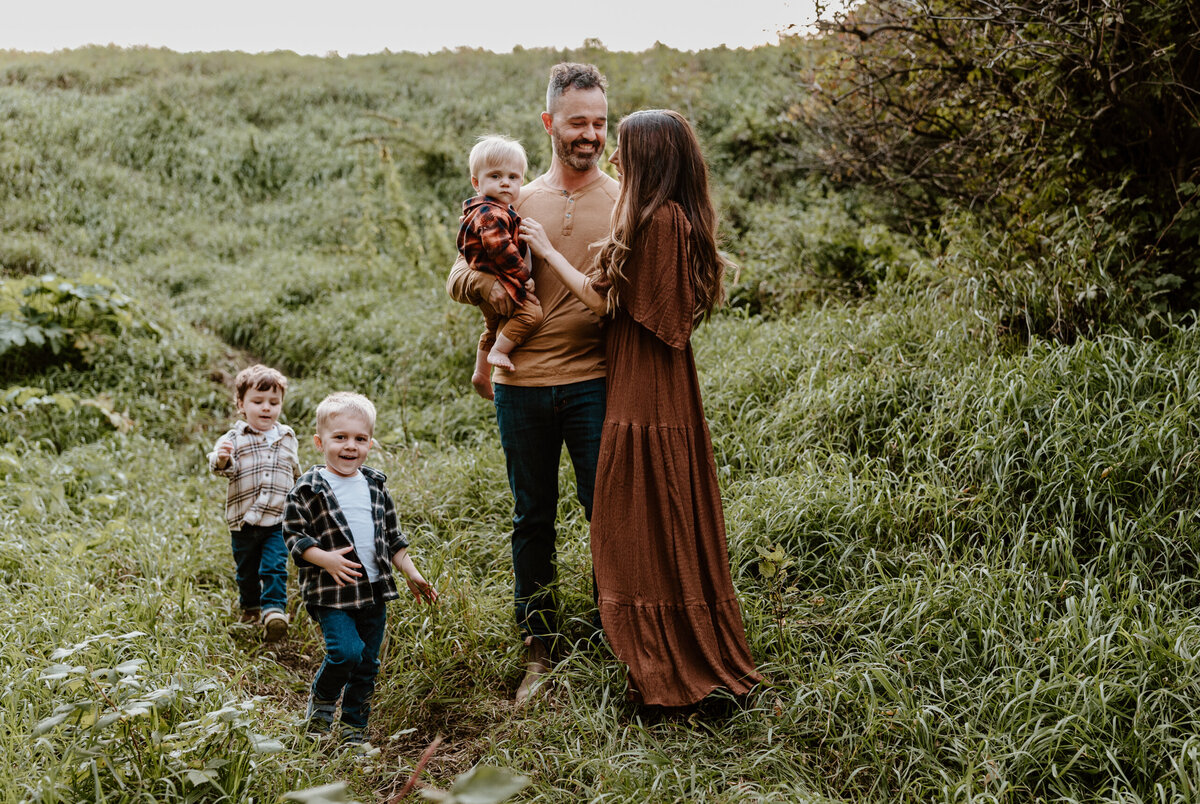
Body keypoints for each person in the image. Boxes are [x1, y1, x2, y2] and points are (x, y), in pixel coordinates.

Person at [520, 109, 762, 707]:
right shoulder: (655, 215)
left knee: (644, 508)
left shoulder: (661, 222)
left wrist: (550, 251)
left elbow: (616, 307)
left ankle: (662, 652)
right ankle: (646, 642)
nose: (614, 154)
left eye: (624, 144)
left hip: (647, 380)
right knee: (643, 505)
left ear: (650, 156)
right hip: (639, 373)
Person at [446, 62, 618, 704]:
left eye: (599, 123)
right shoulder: (516, 198)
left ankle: (617, 632)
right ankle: (538, 649)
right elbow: (460, 273)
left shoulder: (622, 199)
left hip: (595, 382)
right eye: (577, 122)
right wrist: (482, 288)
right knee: (532, 516)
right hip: (521, 388)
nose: (590, 134)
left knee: (607, 511)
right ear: (550, 123)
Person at [283, 392, 438, 744]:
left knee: (367, 664)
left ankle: (354, 731)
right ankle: (321, 704)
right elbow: (293, 535)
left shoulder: (376, 488)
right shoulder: (307, 489)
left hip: (373, 591)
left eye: (359, 439)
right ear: (320, 442)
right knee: (345, 653)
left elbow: (393, 539)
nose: (350, 446)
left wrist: (411, 572)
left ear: (370, 442)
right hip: (330, 592)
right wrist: (326, 559)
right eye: (340, 438)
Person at [208, 363, 302, 642]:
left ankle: (274, 611)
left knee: (274, 566)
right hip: (244, 519)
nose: (266, 408)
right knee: (246, 570)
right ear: (241, 404)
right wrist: (223, 458)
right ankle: (250, 606)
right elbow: (218, 464)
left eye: (273, 402)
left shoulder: (287, 436)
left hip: (277, 518)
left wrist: (303, 496)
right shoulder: (234, 437)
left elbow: (295, 471)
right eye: (258, 402)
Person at [457, 134, 544, 398]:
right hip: (500, 279)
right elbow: (501, 250)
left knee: (492, 326)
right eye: (495, 176)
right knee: (532, 314)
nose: (505, 182)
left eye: (513, 177)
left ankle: (481, 373)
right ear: (476, 182)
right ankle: (499, 351)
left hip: (491, 278)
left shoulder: (492, 210)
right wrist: (524, 276)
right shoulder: (492, 214)